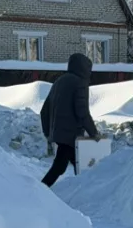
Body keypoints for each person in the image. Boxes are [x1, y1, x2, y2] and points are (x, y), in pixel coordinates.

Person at [40, 53, 100, 187]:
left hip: (60, 133)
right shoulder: (80, 83)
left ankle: (84, 189)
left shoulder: (59, 81)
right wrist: (94, 133)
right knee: (60, 167)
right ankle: (39, 191)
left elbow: (44, 110)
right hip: (71, 135)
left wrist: (48, 133)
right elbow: (82, 112)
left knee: (78, 165)